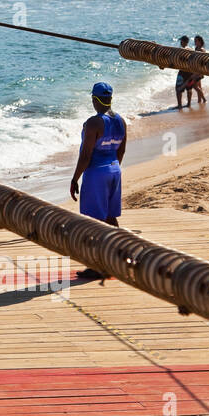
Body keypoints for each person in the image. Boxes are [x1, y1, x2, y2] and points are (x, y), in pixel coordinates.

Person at [70, 82, 126, 280]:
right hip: (114, 170)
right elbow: (121, 151)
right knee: (110, 218)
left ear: (94, 99)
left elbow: (85, 155)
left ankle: (96, 266)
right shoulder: (120, 120)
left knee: (93, 222)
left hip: (96, 173)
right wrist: (112, 169)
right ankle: (119, 258)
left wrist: (75, 178)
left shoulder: (94, 122)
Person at [188, 35, 208, 103]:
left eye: (196, 40)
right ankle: (199, 100)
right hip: (196, 69)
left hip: (199, 70)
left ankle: (204, 99)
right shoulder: (196, 48)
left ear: (200, 41)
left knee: (194, 85)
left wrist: (198, 72)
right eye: (194, 41)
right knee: (198, 86)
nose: (195, 42)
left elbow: (204, 61)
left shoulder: (202, 50)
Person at [174, 35, 192, 109]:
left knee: (178, 89)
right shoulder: (190, 50)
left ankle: (180, 105)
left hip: (183, 72)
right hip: (190, 71)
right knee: (189, 88)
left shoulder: (184, 49)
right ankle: (188, 104)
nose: (180, 42)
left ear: (185, 42)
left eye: (181, 41)